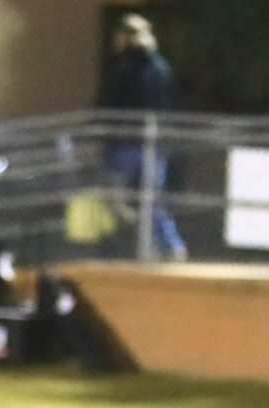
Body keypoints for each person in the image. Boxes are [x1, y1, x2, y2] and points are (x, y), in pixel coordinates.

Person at [98, 13, 188, 260]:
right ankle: (168, 247)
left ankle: (119, 251)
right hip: (149, 143)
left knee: (118, 197)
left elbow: (111, 102)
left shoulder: (124, 66)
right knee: (151, 199)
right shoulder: (158, 66)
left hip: (125, 142)